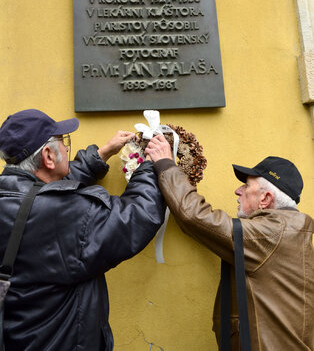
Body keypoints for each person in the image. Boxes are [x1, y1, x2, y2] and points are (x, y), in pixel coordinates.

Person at [0, 109, 165, 351]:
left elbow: (40, 191)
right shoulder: (65, 213)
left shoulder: (12, 198)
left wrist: (100, 155)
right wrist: (150, 166)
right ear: (48, 155)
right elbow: (136, 217)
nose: (66, 149)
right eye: (63, 142)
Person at [145, 134, 314, 351]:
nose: (238, 190)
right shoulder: (287, 232)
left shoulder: (271, 234)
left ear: (265, 199)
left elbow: (195, 218)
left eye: (246, 185)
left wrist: (166, 164)